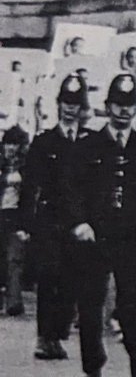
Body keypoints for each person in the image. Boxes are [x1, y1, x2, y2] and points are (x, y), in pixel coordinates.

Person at [64, 73, 136, 377]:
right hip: (95, 235)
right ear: (107, 107)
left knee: (134, 301)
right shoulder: (88, 145)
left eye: (129, 105)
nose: (124, 111)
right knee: (91, 302)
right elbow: (72, 191)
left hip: (132, 235)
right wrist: (80, 223)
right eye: (118, 105)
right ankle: (92, 367)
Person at [20, 74, 87, 360]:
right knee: (49, 278)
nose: (70, 109)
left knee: (71, 280)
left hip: (78, 223)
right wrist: (25, 223)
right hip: (49, 220)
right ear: (58, 105)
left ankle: (58, 334)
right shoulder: (44, 141)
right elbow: (30, 185)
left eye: (76, 103)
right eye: (66, 103)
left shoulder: (88, 142)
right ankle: (44, 337)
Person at [0, 126, 29, 317]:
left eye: (15, 144)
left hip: (16, 215)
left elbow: (30, 195)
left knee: (14, 258)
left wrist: (26, 224)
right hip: (1, 212)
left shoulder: (27, 167)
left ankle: (14, 302)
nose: (11, 148)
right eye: (8, 144)